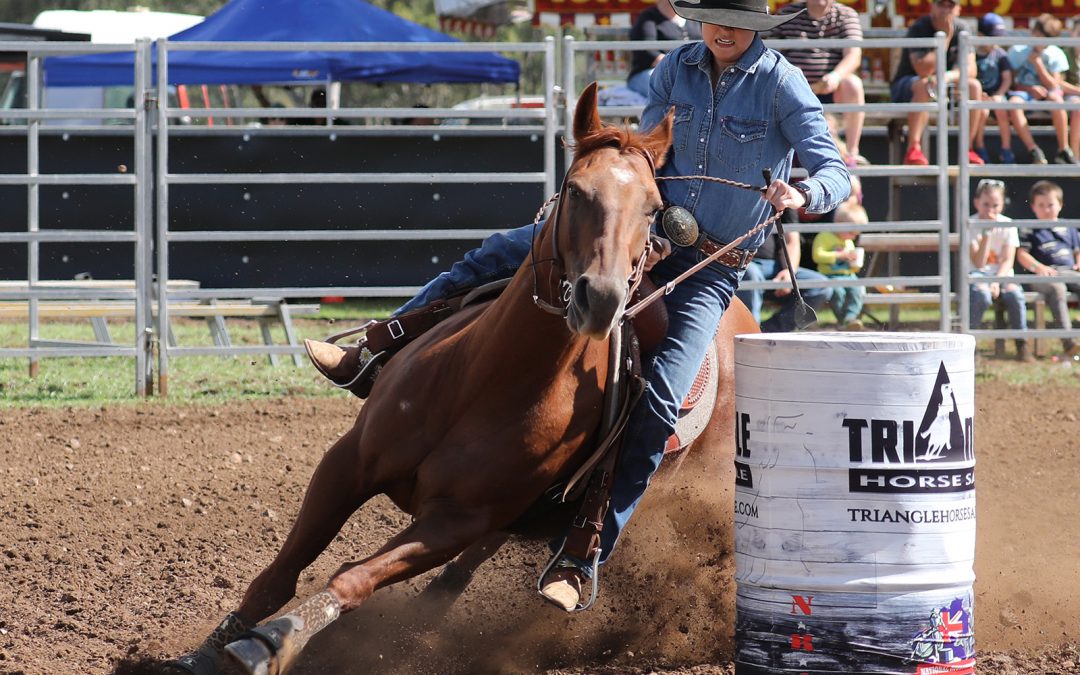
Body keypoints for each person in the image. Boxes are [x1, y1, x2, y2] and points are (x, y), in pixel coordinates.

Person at [306, 0, 849, 611]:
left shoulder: (781, 81)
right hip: (643, 235)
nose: (722, 30)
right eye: (712, 17)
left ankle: (586, 547)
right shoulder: (676, 67)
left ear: (757, 28)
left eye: (736, 20)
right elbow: (650, 151)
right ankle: (378, 344)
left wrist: (801, 189)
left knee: (664, 394)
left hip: (707, 268)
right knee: (493, 257)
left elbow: (837, 172)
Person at [767, 0, 867, 167]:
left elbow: (854, 55)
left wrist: (836, 76)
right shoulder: (787, 13)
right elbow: (771, 54)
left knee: (853, 84)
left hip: (832, 91)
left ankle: (851, 154)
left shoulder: (846, 14)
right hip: (793, 91)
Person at [890, 0, 986, 166]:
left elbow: (971, 70)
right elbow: (922, 69)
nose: (946, 10)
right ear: (932, 7)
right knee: (924, 84)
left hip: (942, 85)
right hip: (908, 86)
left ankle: (967, 149)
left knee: (974, 86)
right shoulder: (920, 27)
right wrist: (945, 39)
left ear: (958, 9)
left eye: (951, 5)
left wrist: (947, 76)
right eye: (941, 4)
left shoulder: (962, 28)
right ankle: (914, 148)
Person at [967, 178, 1032, 361]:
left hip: (1001, 275)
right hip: (977, 274)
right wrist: (987, 233)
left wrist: (996, 281)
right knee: (981, 295)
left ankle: (1022, 345)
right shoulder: (970, 224)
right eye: (986, 204)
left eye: (995, 205)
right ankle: (970, 345)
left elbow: (1007, 261)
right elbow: (979, 263)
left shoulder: (1008, 224)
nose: (990, 210)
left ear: (1002, 205)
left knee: (1015, 294)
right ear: (976, 203)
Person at [1015, 180, 1080, 357]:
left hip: (1070, 271)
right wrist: (1039, 267)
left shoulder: (1069, 227)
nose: (1046, 209)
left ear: (1060, 205)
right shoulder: (1030, 228)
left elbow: (1078, 251)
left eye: (1050, 204)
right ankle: (1069, 343)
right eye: (1041, 205)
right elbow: (1022, 254)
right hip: (1044, 275)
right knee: (1057, 288)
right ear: (1033, 207)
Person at [1005, 14, 1077, 164]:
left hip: (1048, 93)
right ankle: (1033, 149)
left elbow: (1054, 85)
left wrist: (1038, 64)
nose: (1040, 42)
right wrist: (1030, 88)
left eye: (1045, 39)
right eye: (1038, 35)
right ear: (1033, 32)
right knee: (1014, 102)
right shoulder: (1018, 51)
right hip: (1025, 92)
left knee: (1057, 100)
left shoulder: (1056, 53)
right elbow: (1012, 83)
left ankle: (1063, 149)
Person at [736, 224, 833, 331]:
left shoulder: (785, 209)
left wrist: (788, 271)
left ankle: (771, 330)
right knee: (751, 273)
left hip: (777, 265)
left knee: (820, 284)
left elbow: (791, 240)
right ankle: (750, 331)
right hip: (744, 263)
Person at [627, 0, 702, 98]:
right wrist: (679, 67)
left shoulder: (692, 16)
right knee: (667, 84)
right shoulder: (648, 17)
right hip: (653, 72)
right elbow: (647, 51)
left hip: (694, 70)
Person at [812, 202, 866, 330]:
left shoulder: (848, 241)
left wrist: (854, 262)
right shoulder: (824, 236)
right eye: (851, 232)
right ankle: (843, 320)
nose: (854, 237)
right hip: (829, 275)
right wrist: (839, 256)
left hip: (848, 275)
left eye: (856, 234)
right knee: (837, 292)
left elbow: (853, 267)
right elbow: (817, 256)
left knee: (858, 289)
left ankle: (851, 317)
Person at [972, 13, 1015, 163]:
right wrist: (979, 95)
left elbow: (1007, 79)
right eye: (992, 36)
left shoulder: (1000, 54)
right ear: (980, 35)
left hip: (997, 95)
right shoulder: (972, 55)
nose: (995, 41)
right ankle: (979, 146)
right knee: (982, 112)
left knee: (1001, 109)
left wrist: (999, 94)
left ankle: (1006, 148)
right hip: (980, 97)